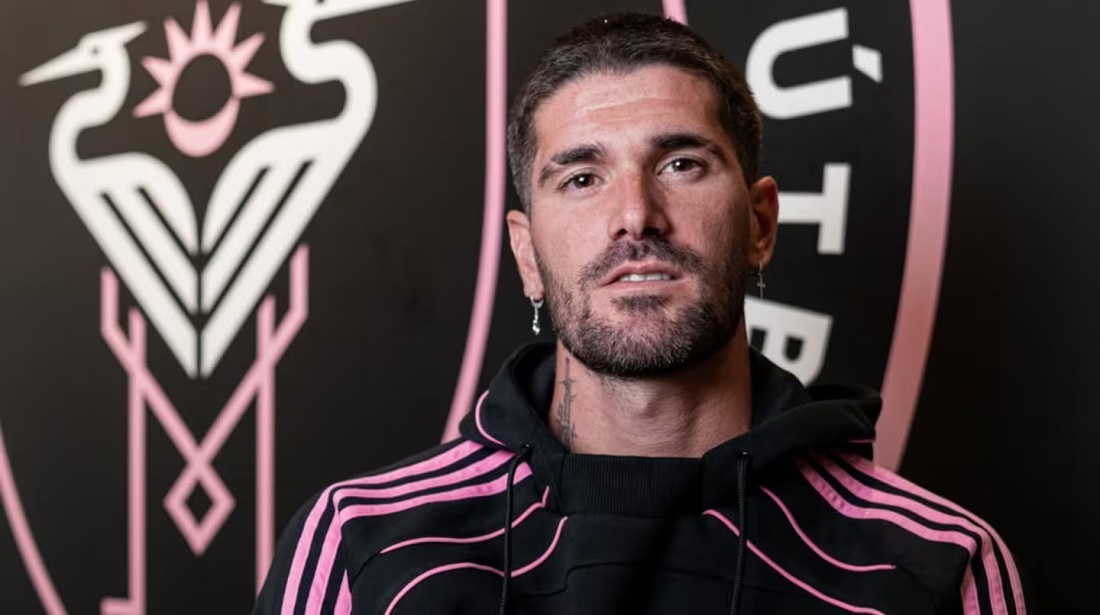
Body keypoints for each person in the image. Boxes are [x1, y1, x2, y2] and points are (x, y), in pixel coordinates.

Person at [255, 12, 1027, 614]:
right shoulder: (361, 545)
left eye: (681, 164)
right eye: (581, 178)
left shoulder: (934, 563)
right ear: (526, 254)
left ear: (760, 225)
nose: (635, 215)